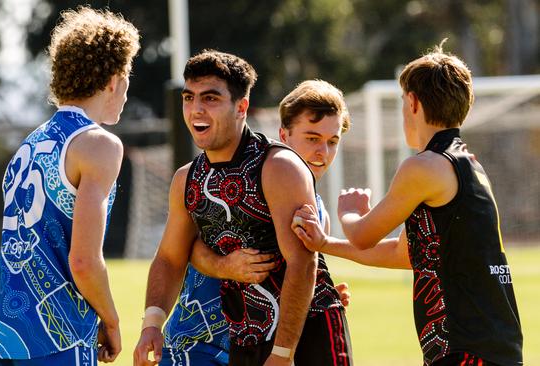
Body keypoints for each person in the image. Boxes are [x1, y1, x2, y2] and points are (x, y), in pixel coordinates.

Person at [292, 42, 524, 366]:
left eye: (403, 102)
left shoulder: (424, 166)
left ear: (412, 102)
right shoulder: (469, 163)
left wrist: (350, 211)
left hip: (465, 347)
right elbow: (405, 254)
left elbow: (362, 235)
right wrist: (324, 243)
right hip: (490, 343)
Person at [134, 51, 351, 366]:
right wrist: (152, 323)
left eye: (210, 98)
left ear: (242, 107)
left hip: (307, 335)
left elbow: (303, 263)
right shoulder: (187, 179)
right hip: (244, 338)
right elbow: (169, 257)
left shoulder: (279, 166)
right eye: (188, 97)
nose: (196, 108)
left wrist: (283, 353)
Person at [0, 6, 139, 366]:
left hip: (2, 338)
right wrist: (112, 319)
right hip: (56, 341)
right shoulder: (100, 145)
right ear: (114, 79)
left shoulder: (31, 142)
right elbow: (84, 261)